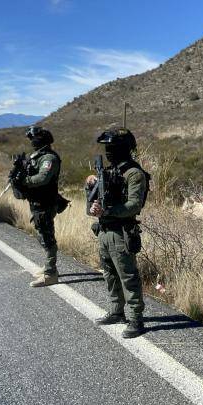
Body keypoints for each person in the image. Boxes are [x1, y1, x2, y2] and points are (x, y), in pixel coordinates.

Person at [86, 128, 149, 338]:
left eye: (113, 148)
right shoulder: (108, 172)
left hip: (121, 233)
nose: (109, 152)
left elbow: (134, 204)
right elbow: (93, 204)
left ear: (124, 148)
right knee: (110, 274)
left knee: (128, 277)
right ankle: (116, 311)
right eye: (107, 148)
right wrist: (90, 188)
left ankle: (135, 319)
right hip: (104, 230)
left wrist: (109, 211)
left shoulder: (134, 173)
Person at [21, 126, 62, 288]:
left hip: (46, 202)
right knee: (41, 234)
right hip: (37, 202)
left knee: (47, 236)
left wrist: (25, 180)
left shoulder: (49, 159)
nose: (32, 142)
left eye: (33, 139)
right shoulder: (37, 156)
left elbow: (42, 178)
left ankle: (51, 274)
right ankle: (49, 266)